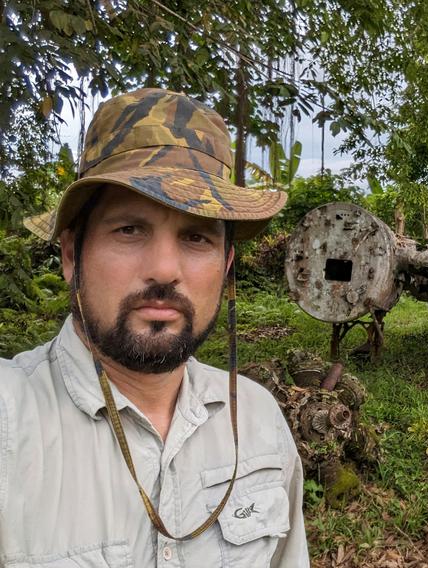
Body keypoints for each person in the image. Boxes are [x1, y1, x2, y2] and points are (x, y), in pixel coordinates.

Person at [0, 88, 309, 567]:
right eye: (129, 229)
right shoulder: (10, 423)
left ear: (226, 265)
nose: (165, 269)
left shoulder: (258, 422)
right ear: (70, 255)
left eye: (195, 236)